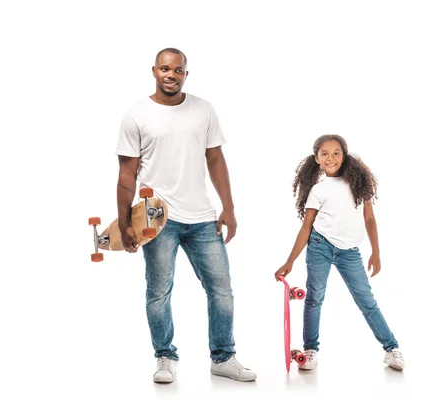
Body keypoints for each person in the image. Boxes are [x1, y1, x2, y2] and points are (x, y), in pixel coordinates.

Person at [115, 48, 256, 383]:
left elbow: (216, 160)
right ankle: (165, 357)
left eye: (178, 70)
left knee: (221, 289)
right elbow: (126, 174)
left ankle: (223, 357)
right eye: (165, 69)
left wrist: (229, 208)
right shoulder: (136, 115)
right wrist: (123, 222)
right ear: (154, 71)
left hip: (202, 218)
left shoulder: (203, 110)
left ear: (185, 74)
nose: (171, 75)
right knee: (159, 291)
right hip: (156, 219)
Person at [274, 134, 405, 371]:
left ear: (344, 156)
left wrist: (376, 252)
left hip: (349, 253)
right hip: (320, 246)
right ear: (316, 158)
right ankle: (310, 350)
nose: (330, 158)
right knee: (314, 298)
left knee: (367, 301)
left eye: (336, 153)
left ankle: (391, 348)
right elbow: (306, 227)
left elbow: (370, 219)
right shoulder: (318, 189)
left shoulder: (359, 184)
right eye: (324, 154)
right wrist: (290, 261)